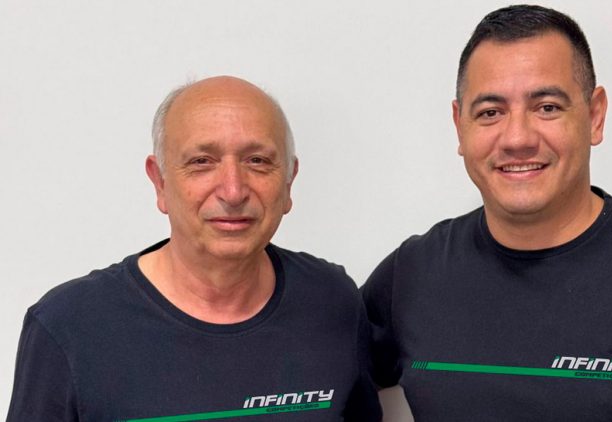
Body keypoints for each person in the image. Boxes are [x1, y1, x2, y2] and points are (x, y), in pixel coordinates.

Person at [361, 5, 612, 421]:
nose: (517, 138)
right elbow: (318, 367)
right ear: (460, 126)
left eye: (547, 107)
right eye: (490, 112)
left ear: (595, 116)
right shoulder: (412, 276)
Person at [7, 76, 381, 421]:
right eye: (202, 162)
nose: (233, 191)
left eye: (257, 161)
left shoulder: (333, 301)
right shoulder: (69, 326)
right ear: (160, 182)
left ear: (288, 181)